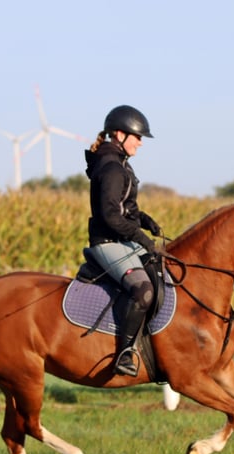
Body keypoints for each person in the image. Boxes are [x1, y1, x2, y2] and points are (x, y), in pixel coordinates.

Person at [84, 105, 163, 377]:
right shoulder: (111, 168)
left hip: (121, 239)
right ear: (119, 134)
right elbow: (109, 216)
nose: (141, 143)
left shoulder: (119, 165)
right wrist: (140, 237)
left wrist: (144, 219)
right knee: (143, 290)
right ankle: (125, 353)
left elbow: (123, 209)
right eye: (137, 137)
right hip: (107, 243)